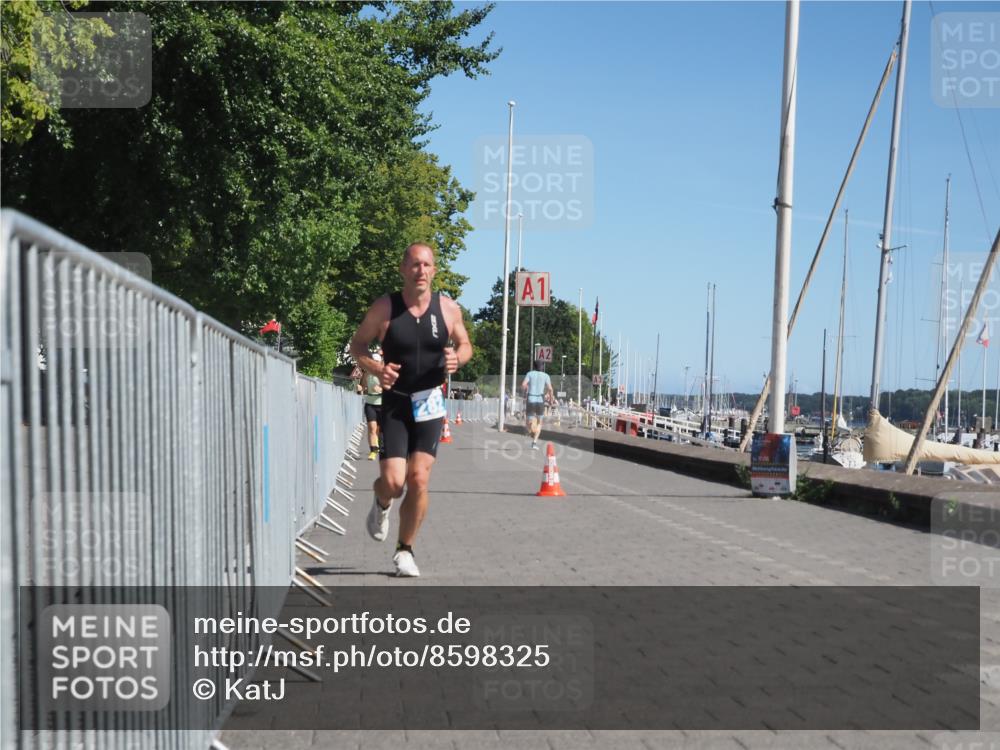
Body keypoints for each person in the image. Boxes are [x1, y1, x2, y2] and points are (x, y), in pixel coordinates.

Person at [349, 243, 472, 577]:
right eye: (414, 264)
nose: (421, 270)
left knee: (419, 479)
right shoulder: (385, 308)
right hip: (396, 401)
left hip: (430, 400)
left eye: (427, 264)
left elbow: (465, 345)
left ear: (434, 271)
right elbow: (356, 344)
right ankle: (381, 503)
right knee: (393, 482)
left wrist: (456, 358)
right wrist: (376, 368)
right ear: (403, 269)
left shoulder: (447, 309)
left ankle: (405, 550)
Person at [521, 359, 554, 450]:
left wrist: (525, 393)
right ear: (542, 367)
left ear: (534, 366)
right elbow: (550, 389)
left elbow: (523, 385)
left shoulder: (530, 374)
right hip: (540, 400)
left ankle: (531, 428)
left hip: (531, 399)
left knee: (528, 422)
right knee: (540, 422)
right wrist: (550, 399)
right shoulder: (546, 375)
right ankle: (534, 442)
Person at [362, 348, 384, 460]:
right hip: (370, 403)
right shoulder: (367, 373)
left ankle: (382, 447)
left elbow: (393, 388)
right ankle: (373, 451)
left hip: (383, 404)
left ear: (380, 362)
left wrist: (382, 389)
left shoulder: (384, 373)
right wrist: (361, 388)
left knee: (380, 429)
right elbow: (363, 385)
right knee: (372, 427)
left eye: (376, 361)